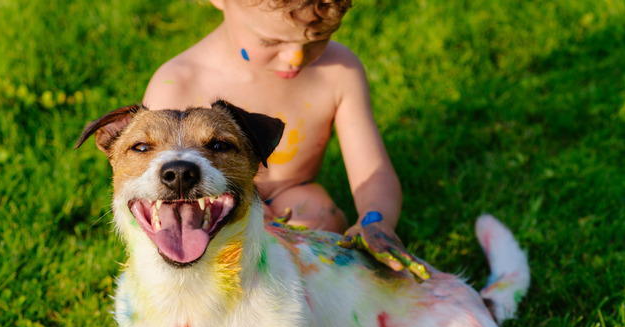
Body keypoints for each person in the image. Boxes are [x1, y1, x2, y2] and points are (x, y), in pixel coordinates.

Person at [143, 0, 428, 279]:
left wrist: (375, 220)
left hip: (294, 200)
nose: (295, 57)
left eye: (318, 37)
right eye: (270, 41)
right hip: (205, 207)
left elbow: (371, 170)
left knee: (318, 211)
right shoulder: (179, 83)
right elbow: (159, 187)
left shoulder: (338, 71)